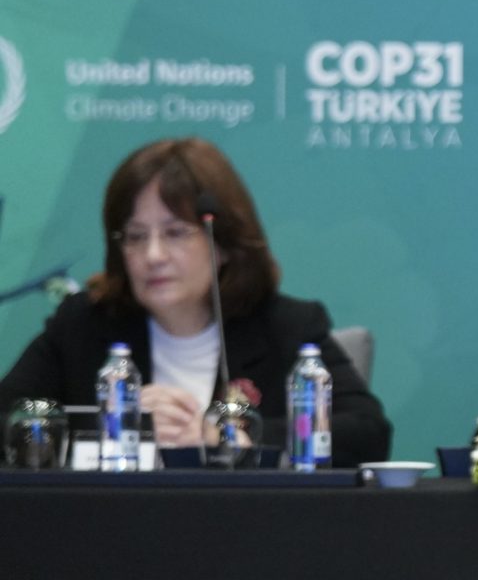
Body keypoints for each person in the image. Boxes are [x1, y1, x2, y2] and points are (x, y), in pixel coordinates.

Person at [0, 137, 391, 465]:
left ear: (223, 244)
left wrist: (223, 432)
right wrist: (116, 426)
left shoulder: (286, 327)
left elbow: (367, 434)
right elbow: (7, 417)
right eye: (136, 236)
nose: (153, 255)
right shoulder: (84, 324)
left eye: (175, 233)